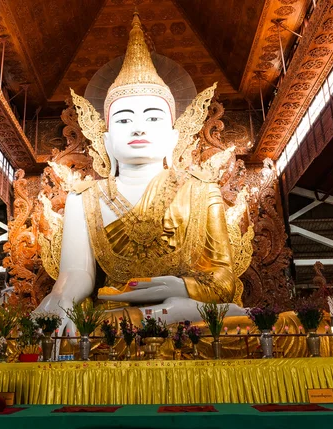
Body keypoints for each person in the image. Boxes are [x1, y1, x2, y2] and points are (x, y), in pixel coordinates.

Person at [36, 12, 245, 335]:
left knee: (235, 316)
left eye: (152, 118)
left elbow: (223, 281)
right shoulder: (84, 199)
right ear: (104, 139)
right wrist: (60, 297)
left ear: (174, 136)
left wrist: (175, 289)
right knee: (78, 328)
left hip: (184, 308)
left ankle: (168, 315)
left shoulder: (202, 191)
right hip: (115, 316)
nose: (137, 127)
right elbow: (78, 274)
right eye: (122, 120)